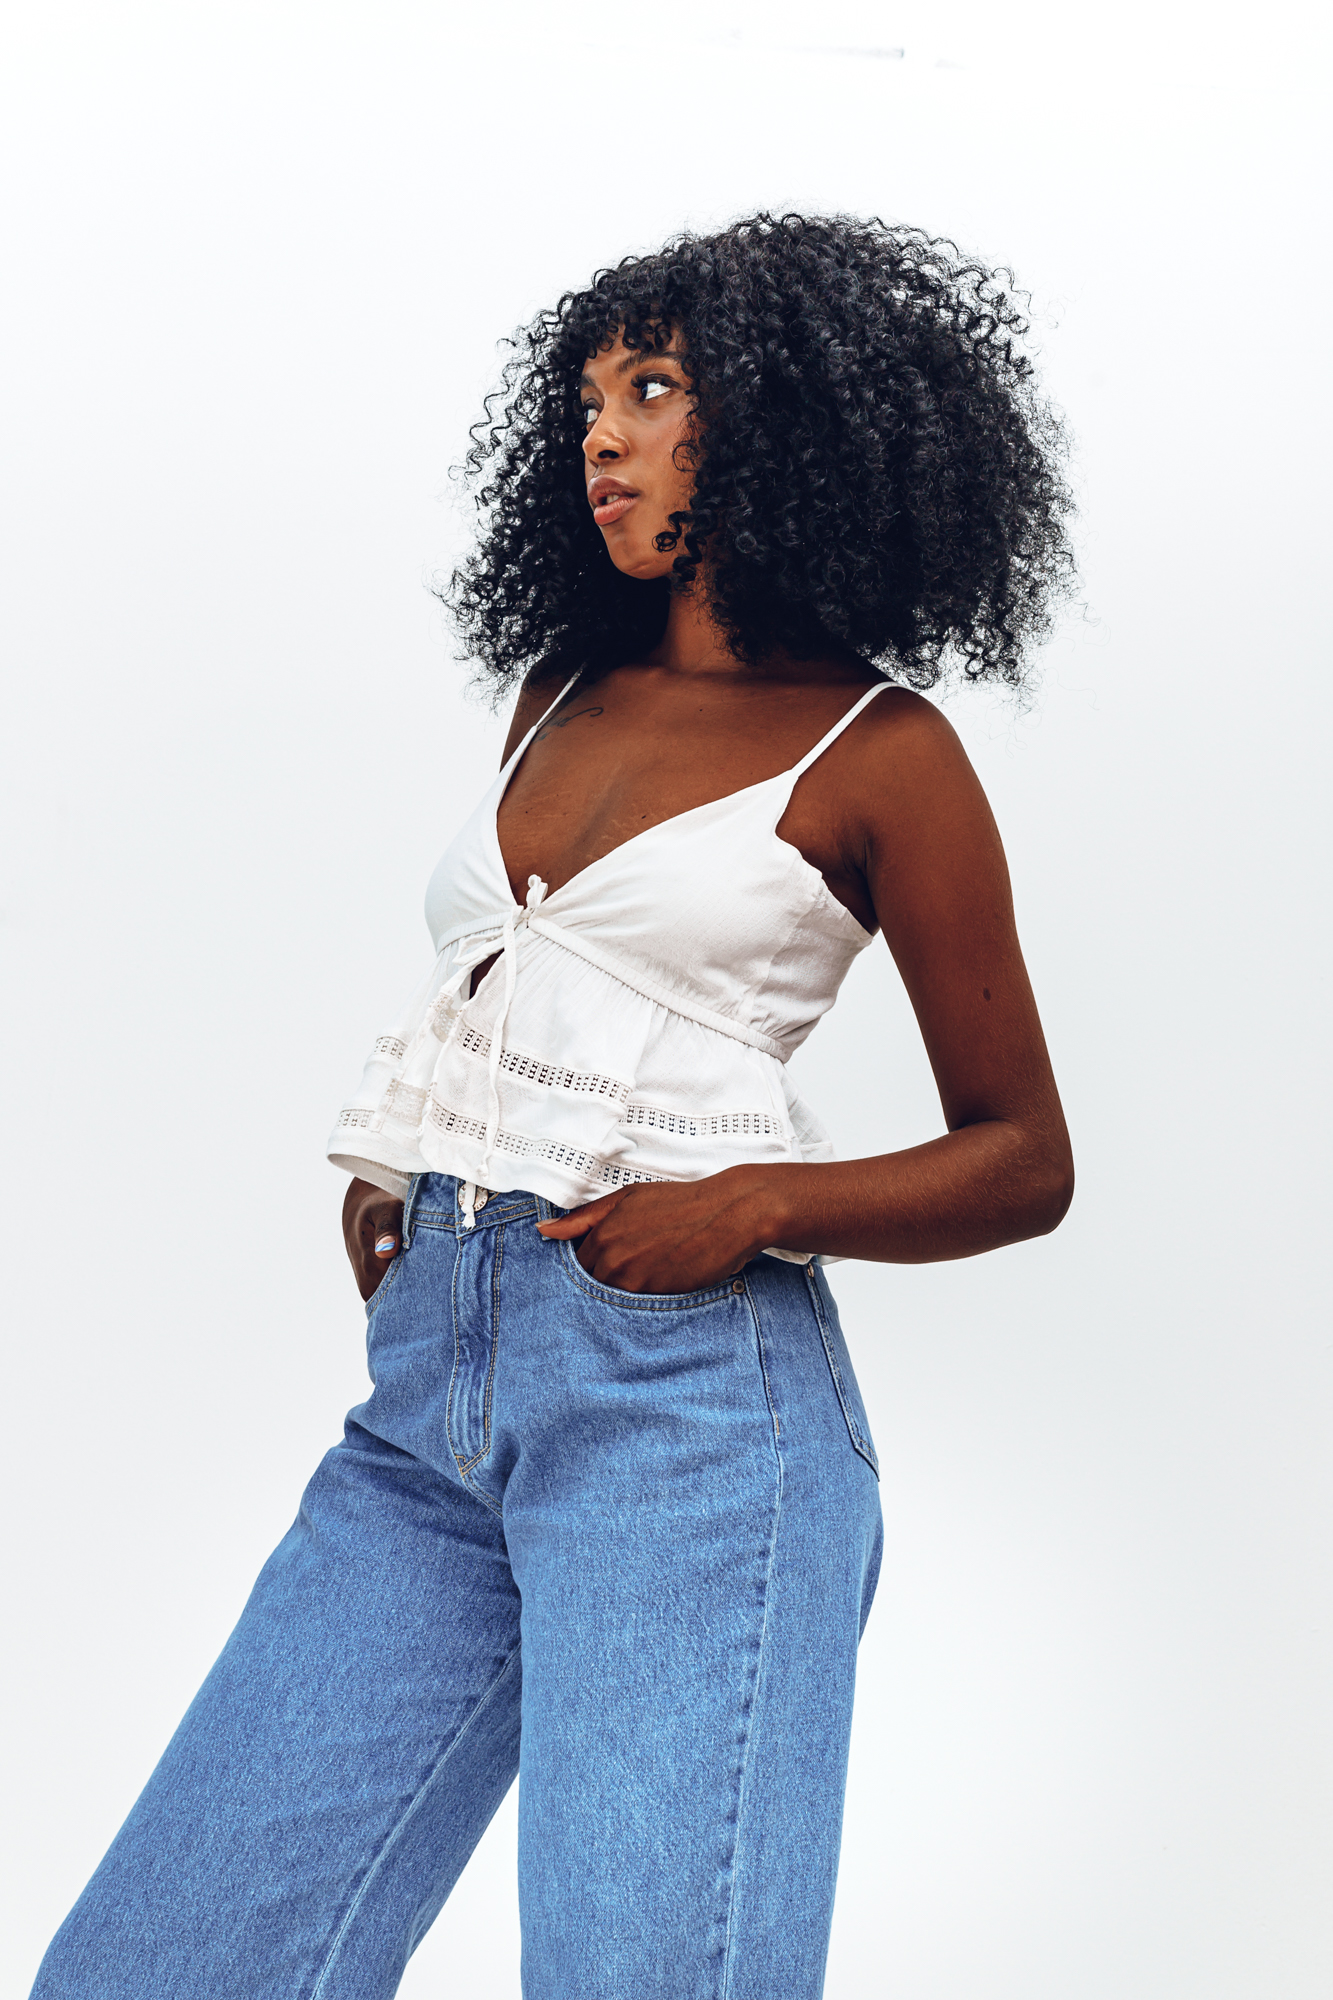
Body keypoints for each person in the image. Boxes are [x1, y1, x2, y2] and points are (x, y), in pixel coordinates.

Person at [33, 213, 1076, 1999]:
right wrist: (397, 1169)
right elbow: (520, 979)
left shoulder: (881, 755)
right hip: (430, 1391)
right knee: (165, 1960)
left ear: (787, 423)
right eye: (590, 399)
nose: (603, 434)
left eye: (653, 390)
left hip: (690, 1420)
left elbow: (1022, 1161)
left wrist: (749, 1204)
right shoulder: (558, 696)